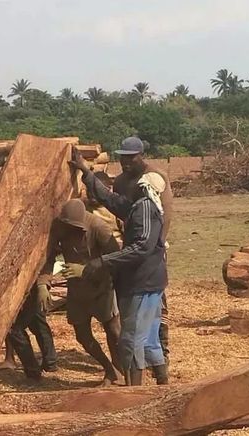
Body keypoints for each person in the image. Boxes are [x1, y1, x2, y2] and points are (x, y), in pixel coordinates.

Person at [70, 147, 169, 386]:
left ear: (144, 187)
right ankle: (163, 386)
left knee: (131, 339)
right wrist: (86, 171)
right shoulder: (137, 206)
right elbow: (110, 200)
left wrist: (103, 261)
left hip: (142, 282)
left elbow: (141, 247)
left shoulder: (144, 208)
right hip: (151, 280)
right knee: (149, 338)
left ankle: (134, 392)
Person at [0, 169, 57, 376]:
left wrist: (41, 281)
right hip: (20, 283)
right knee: (35, 321)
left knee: (15, 328)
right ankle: (49, 361)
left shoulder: (12, 229)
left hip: (24, 283)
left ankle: (34, 370)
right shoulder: (9, 226)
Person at [39, 199, 122, 386]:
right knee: (82, 336)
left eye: (74, 227)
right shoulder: (60, 226)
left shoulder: (99, 227)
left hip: (101, 287)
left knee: (114, 331)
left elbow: (116, 259)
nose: (70, 231)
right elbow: (48, 257)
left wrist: (84, 269)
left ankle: (121, 370)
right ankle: (110, 370)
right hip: (77, 290)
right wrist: (43, 284)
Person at [113, 137, 174, 366]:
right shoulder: (120, 182)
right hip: (131, 245)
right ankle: (143, 356)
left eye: (130, 157)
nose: (125, 162)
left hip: (152, 248)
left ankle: (161, 352)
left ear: (141, 156)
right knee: (131, 300)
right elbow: (120, 210)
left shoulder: (154, 178)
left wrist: (157, 245)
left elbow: (165, 213)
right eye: (122, 157)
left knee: (156, 303)